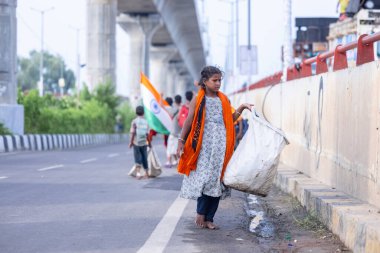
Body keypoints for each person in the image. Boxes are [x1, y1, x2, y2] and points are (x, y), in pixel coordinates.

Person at [176, 66, 253, 229]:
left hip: (221, 147)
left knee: (218, 181)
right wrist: (181, 140)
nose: (218, 83)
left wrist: (241, 108)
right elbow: (189, 120)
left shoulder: (224, 100)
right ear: (205, 82)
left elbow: (229, 120)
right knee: (205, 179)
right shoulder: (198, 99)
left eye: (220, 80)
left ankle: (209, 219)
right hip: (203, 147)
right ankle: (200, 213)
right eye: (215, 80)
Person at [129, 105, 150, 179]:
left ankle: (138, 173)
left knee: (137, 158)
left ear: (136, 113)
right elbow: (147, 134)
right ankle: (146, 173)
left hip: (136, 143)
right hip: (144, 142)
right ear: (143, 113)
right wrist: (149, 143)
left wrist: (131, 142)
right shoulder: (146, 122)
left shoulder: (134, 121)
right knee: (144, 158)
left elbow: (133, 132)